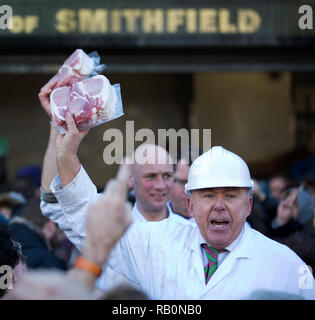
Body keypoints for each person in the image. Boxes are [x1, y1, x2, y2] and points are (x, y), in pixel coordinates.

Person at [66, 146, 314, 299]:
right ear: (191, 205)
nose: (219, 205)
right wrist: (66, 149)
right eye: (208, 195)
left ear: (248, 205)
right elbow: (88, 217)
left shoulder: (286, 265)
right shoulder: (158, 243)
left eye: (230, 195)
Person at [9, 198, 67, 270]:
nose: (65, 236)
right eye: (63, 228)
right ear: (50, 227)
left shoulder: (5, 250)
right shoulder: (50, 263)